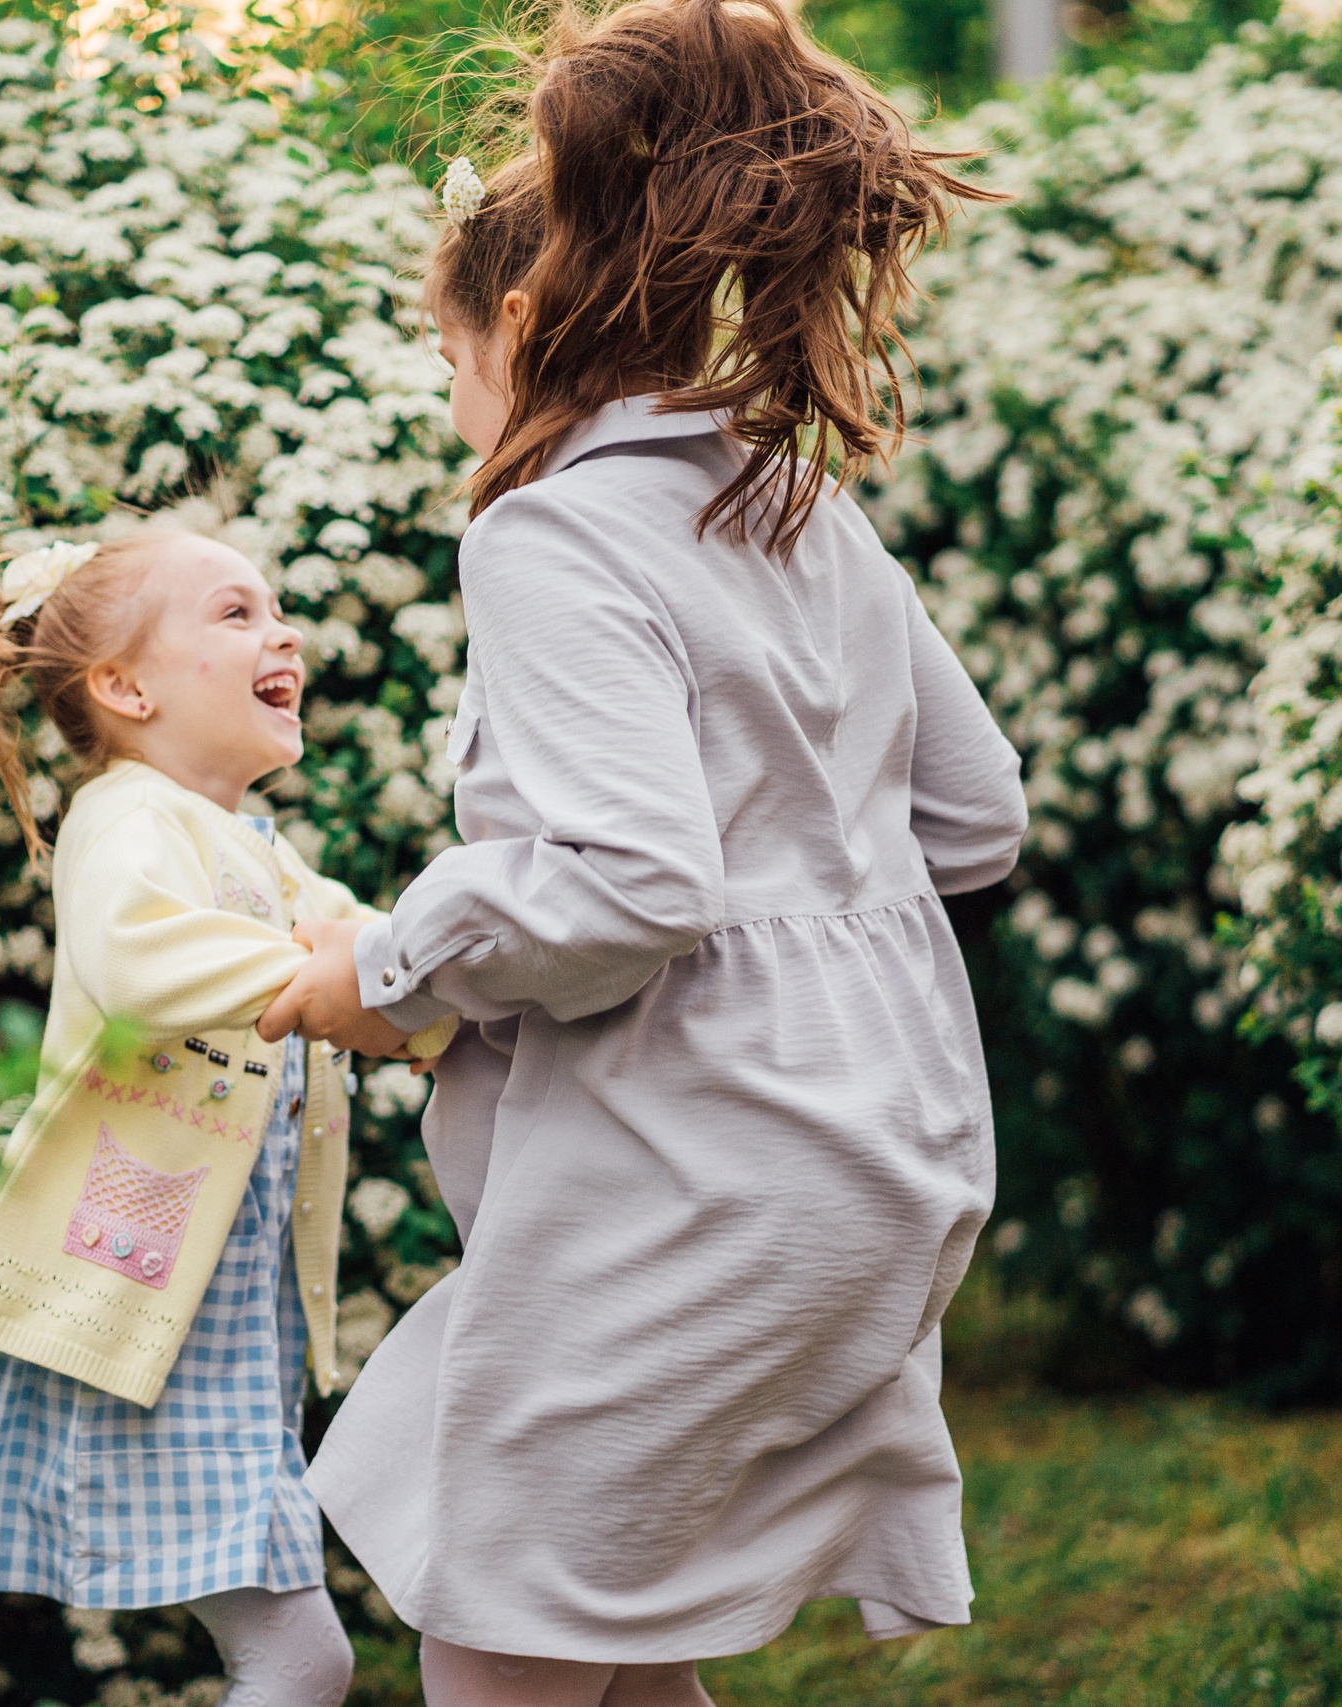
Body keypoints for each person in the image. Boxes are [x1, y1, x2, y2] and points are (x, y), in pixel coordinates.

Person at [255, 2, 1026, 1702]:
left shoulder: (548, 531)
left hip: (697, 1171)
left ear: (516, 323)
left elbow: (631, 883)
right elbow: (977, 813)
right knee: (620, 1621)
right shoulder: (792, 501)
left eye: (445, 358)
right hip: (879, 1152)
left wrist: (384, 968)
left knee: (502, 1615)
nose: (453, 397)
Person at [0, 484, 447, 1706]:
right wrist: (318, 984)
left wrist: (463, 1002)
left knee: (294, 1655)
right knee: (300, 1657)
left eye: (278, 611)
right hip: (147, 1305)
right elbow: (132, 953)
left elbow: (379, 957)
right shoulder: (125, 818)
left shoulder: (254, 849)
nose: (284, 635)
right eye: (237, 613)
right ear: (127, 689)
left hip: (211, 1309)